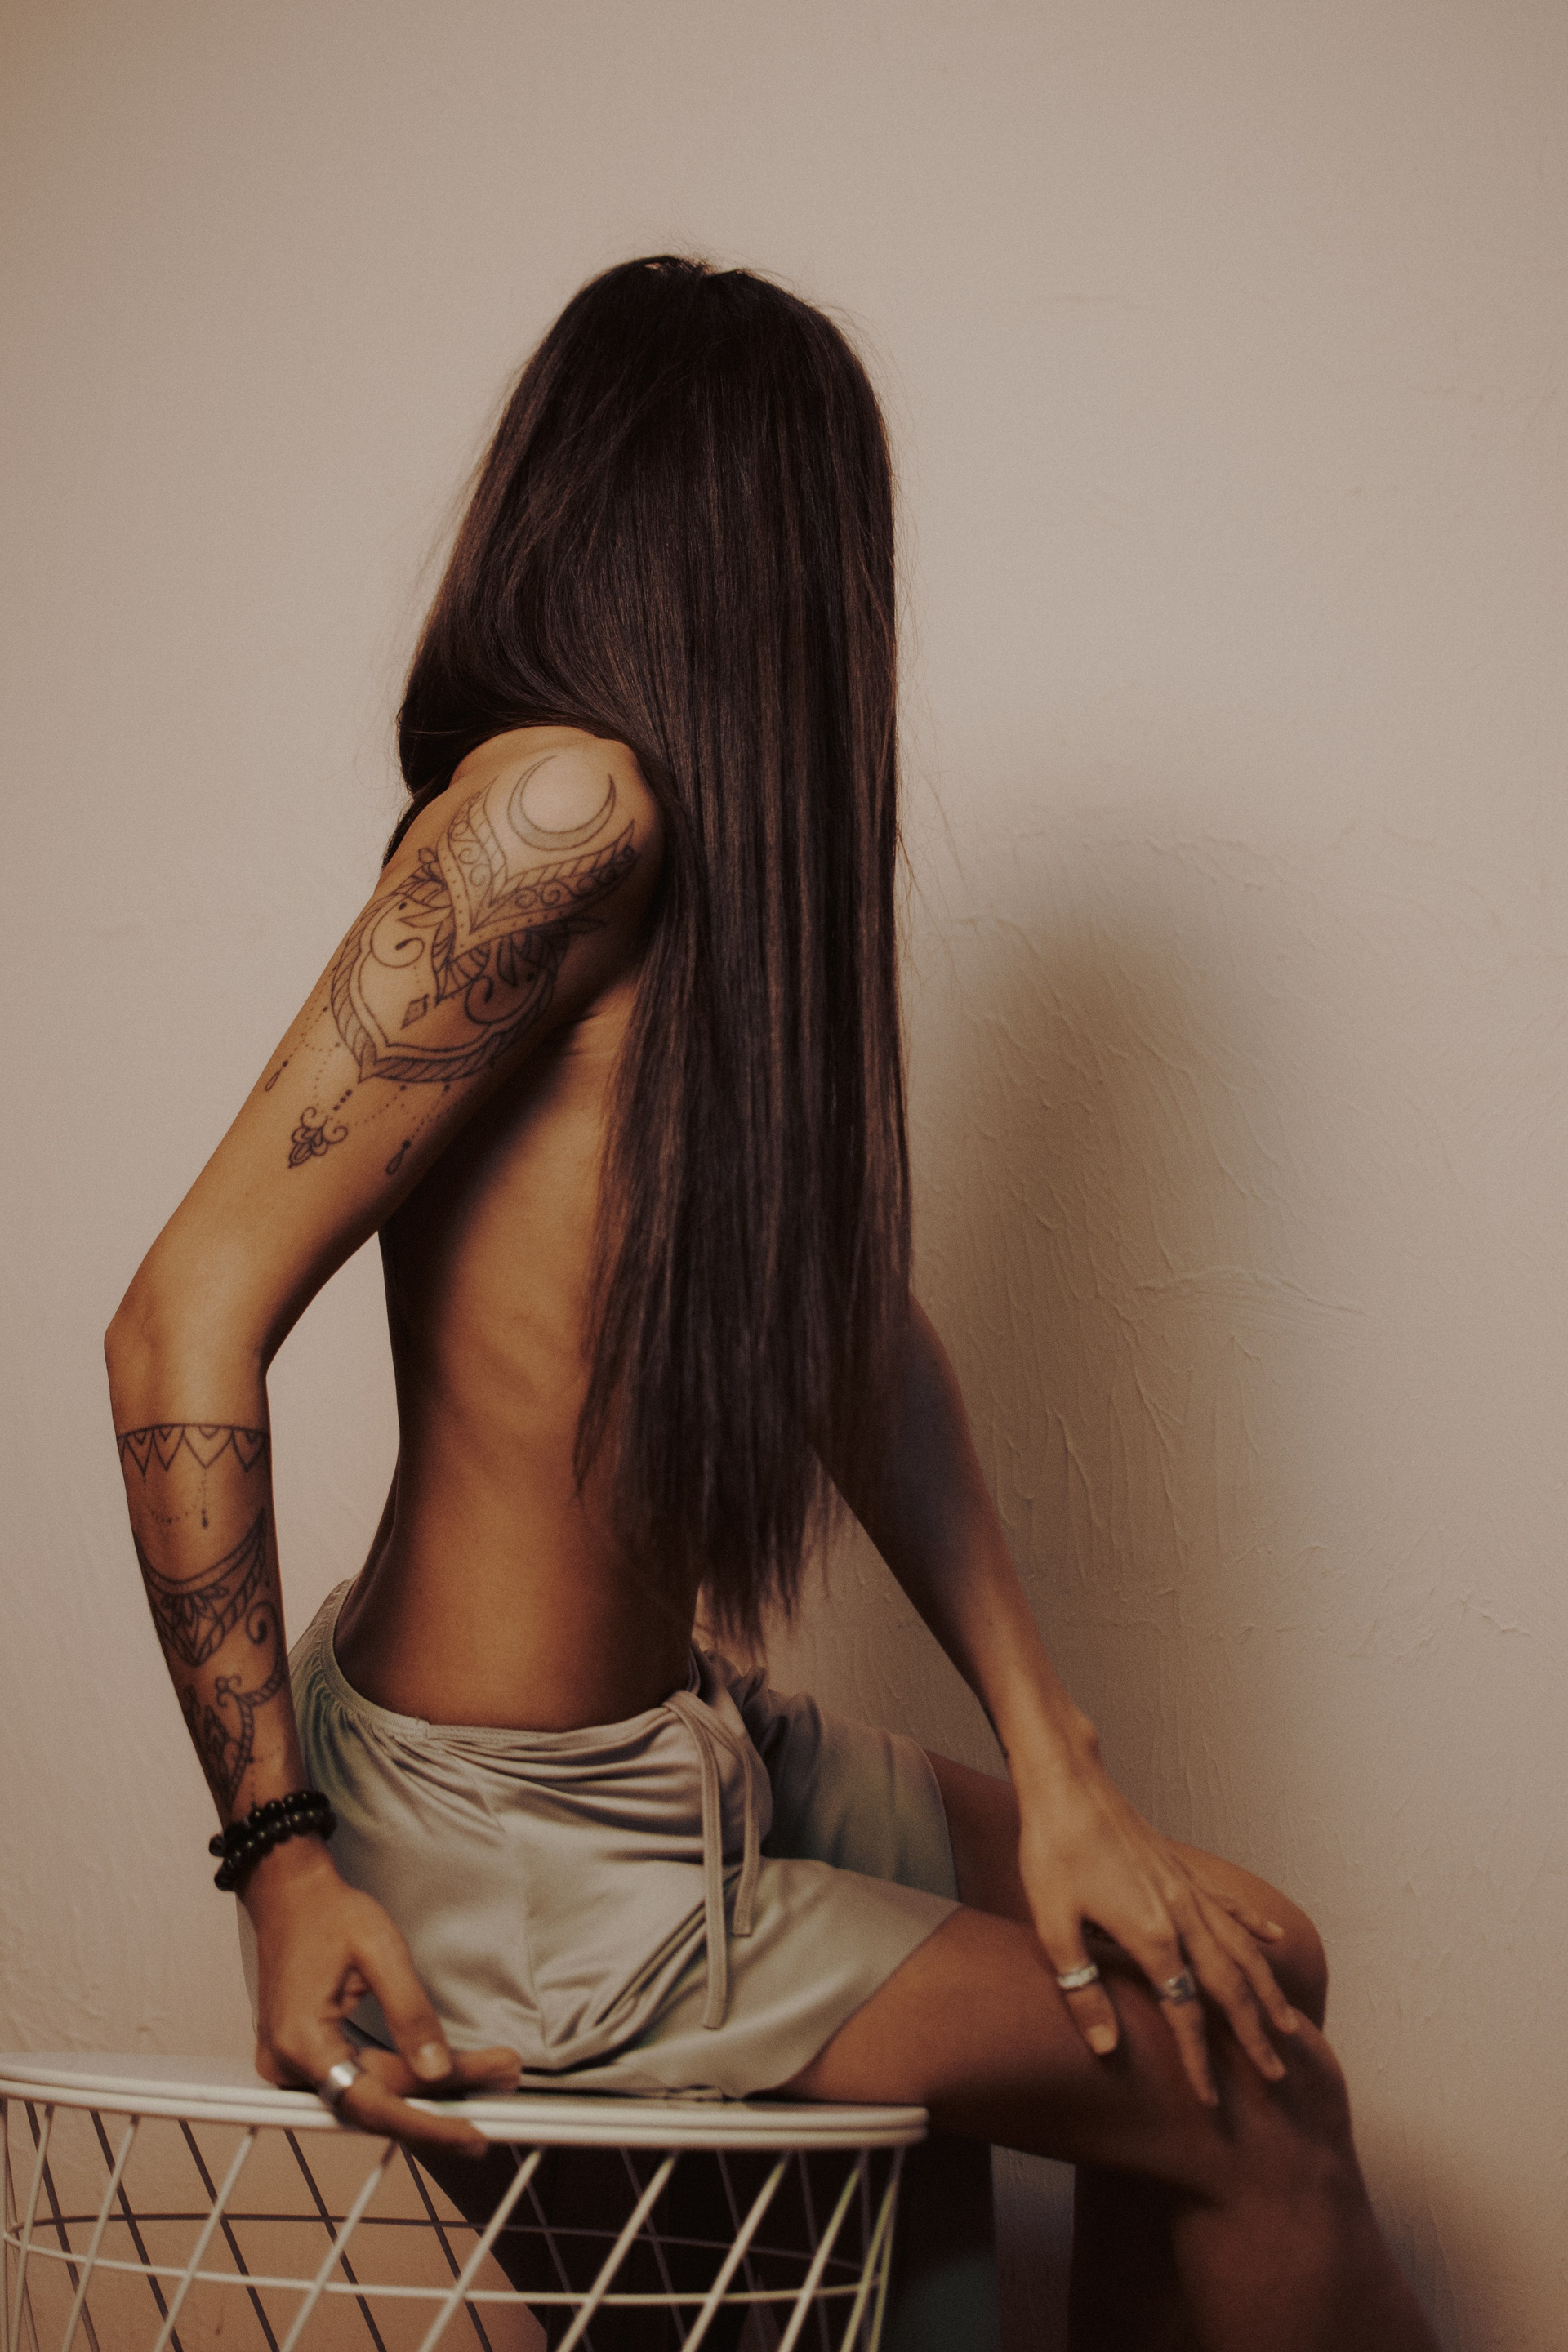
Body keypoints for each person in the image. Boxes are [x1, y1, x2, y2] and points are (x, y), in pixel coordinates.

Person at [105, 255, 1436, 2350]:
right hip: (518, 1852)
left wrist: (1059, 1761)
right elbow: (179, 1316)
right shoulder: (556, 811)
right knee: (1258, 2104)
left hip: (688, 1755)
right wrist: (280, 1864)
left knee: (1252, 1961)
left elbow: (853, 1340)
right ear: (763, 549)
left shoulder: (708, 902)